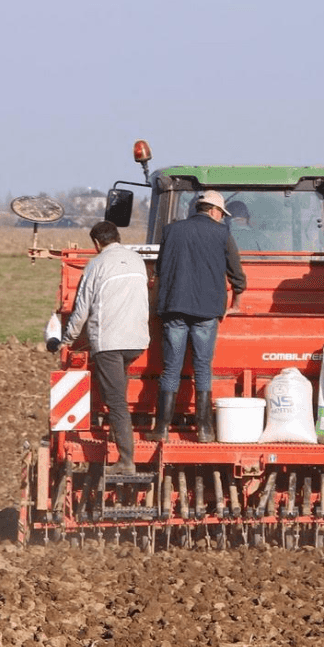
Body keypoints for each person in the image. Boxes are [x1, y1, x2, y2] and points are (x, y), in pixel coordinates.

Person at [53, 220, 150, 474]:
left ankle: (126, 461)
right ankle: (120, 440)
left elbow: (81, 310)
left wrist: (67, 340)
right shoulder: (137, 261)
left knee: (115, 402)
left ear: (97, 243)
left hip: (110, 343)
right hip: (137, 341)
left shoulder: (96, 265)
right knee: (118, 387)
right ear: (118, 237)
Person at [151, 190, 247, 442]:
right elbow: (237, 275)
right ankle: (204, 430)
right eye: (221, 214)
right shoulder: (222, 233)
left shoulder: (172, 231)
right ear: (215, 212)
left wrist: (157, 303)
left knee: (171, 368)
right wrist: (236, 302)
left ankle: (161, 429)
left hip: (174, 308)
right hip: (207, 311)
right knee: (202, 367)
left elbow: (159, 271)